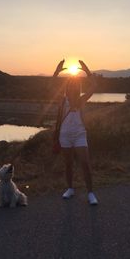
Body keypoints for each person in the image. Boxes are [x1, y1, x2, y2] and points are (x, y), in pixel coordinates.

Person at [53, 59, 98, 205]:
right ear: (67, 89)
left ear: (77, 88)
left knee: (85, 163)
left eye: (75, 87)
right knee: (68, 163)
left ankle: (90, 193)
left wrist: (87, 71)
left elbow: (94, 86)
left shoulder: (81, 100)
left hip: (79, 134)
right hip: (64, 135)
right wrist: (57, 71)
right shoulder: (62, 100)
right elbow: (49, 88)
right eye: (70, 87)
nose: (72, 89)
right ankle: (70, 189)